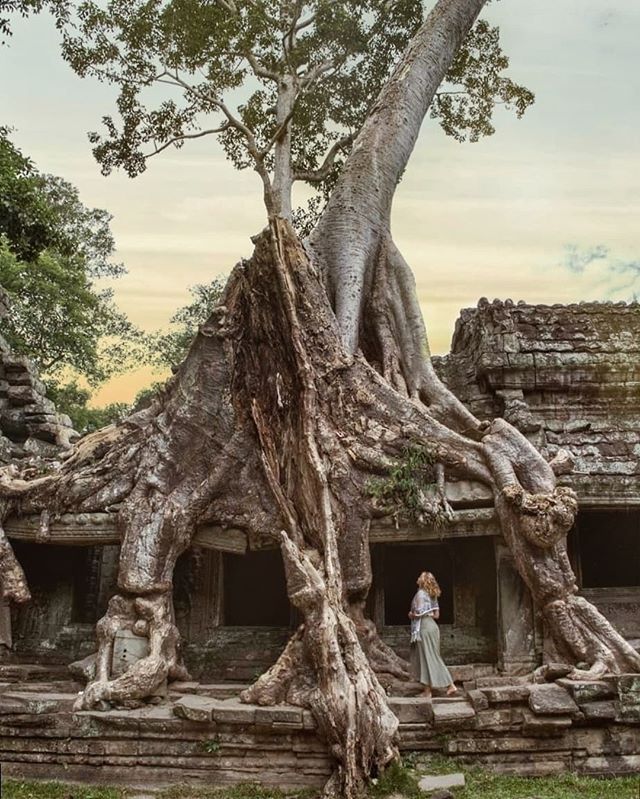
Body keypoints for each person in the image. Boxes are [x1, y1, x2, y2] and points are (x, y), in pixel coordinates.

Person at [409, 571, 457, 699]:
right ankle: (427, 691)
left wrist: (411, 615)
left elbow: (418, 613)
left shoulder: (420, 594)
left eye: (420, 576)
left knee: (430, 657)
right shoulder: (433, 595)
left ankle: (450, 685)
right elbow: (436, 615)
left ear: (422, 581)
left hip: (424, 627)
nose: (418, 578)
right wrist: (426, 613)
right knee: (429, 657)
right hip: (433, 627)